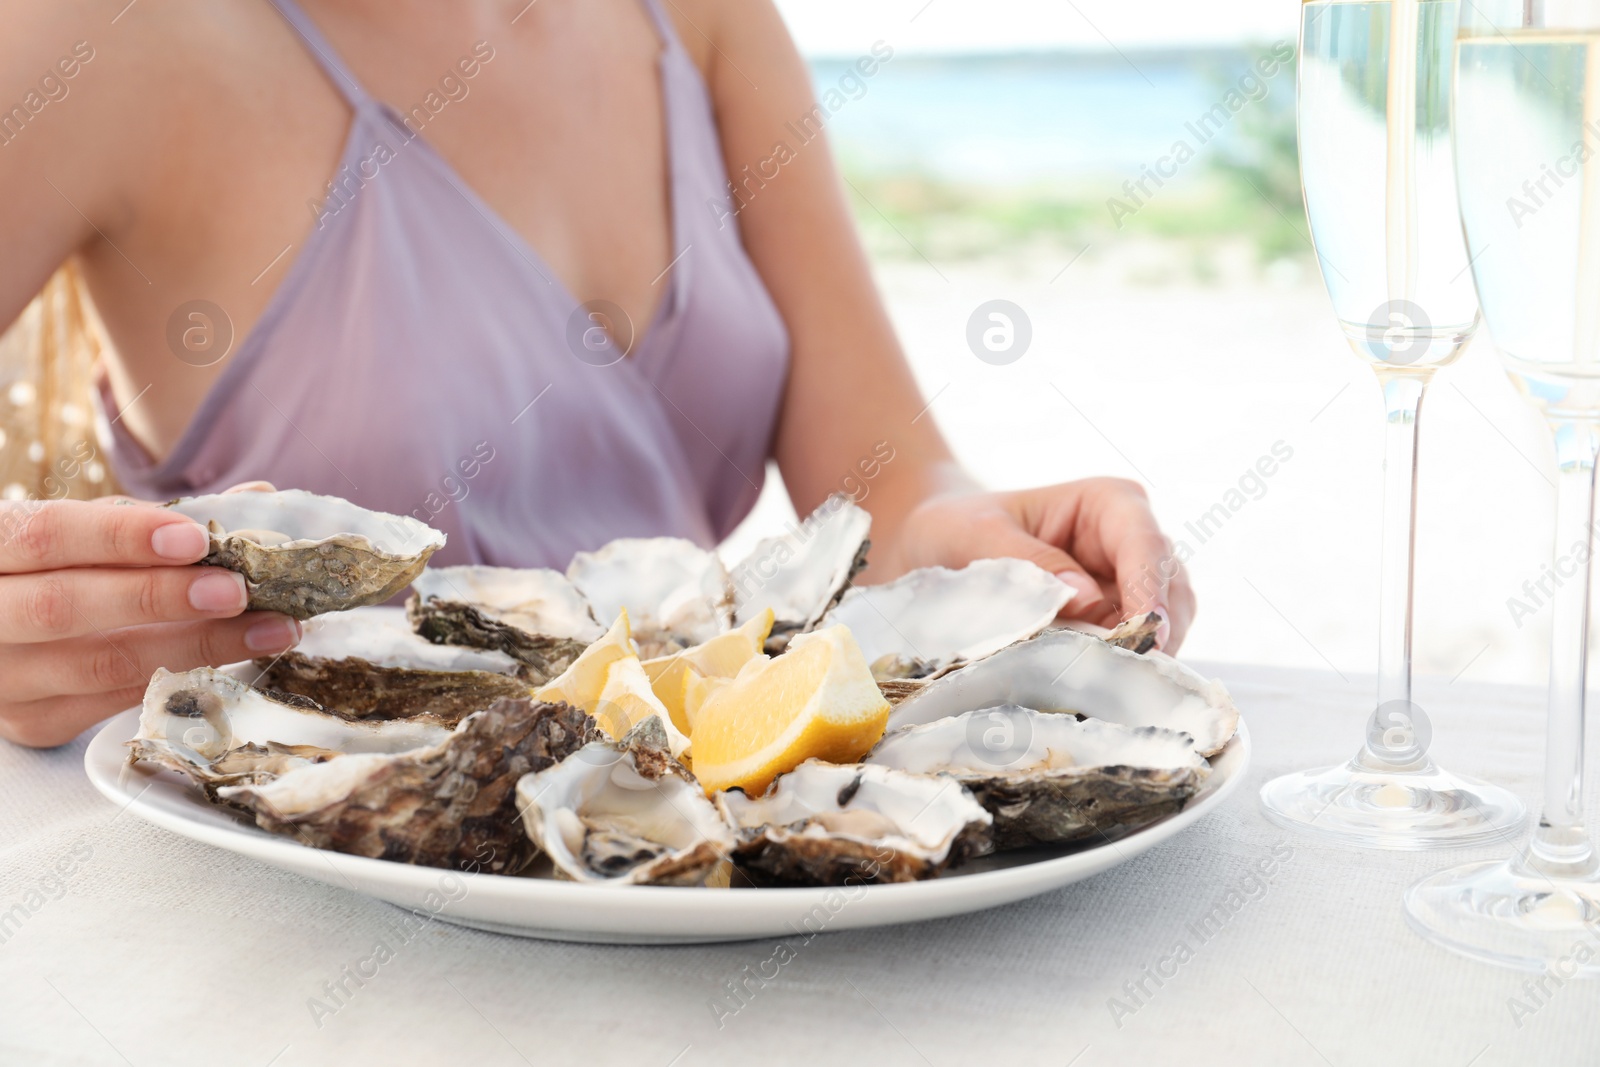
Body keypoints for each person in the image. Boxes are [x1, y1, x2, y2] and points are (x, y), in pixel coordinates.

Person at [0, 0, 1193, 748]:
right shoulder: (100, 30)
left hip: (677, 859)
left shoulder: (706, 18)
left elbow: (884, 471)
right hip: (293, 906)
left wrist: (969, 538)